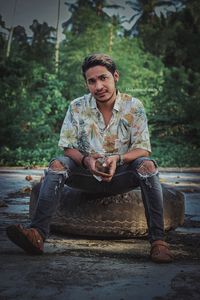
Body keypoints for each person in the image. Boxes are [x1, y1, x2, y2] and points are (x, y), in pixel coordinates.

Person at [6, 53, 173, 263]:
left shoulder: (134, 106)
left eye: (103, 78)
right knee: (57, 164)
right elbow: (68, 148)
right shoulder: (76, 106)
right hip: (85, 175)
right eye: (92, 81)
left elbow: (143, 149)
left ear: (115, 76)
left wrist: (118, 159)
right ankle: (37, 234)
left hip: (122, 175)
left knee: (147, 166)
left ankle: (158, 242)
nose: (98, 86)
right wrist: (87, 161)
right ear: (87, 83)